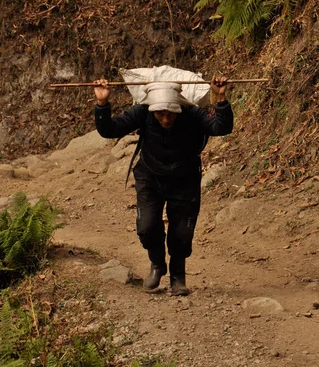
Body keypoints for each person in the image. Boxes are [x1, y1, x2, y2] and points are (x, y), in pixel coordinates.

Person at [93, 76, 233, 296]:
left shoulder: (190, 112)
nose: (166, 118)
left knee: (182, 232)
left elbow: (221, 127)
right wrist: (102, 103)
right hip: (150, 177)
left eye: (171, 113)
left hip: (185, 178)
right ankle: (157, 264)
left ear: (179, 108)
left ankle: (178, 276)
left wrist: (221, 98)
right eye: (160, 113)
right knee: (147, 227)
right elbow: (109, 130)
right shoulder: (143, 112)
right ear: (152, 109)